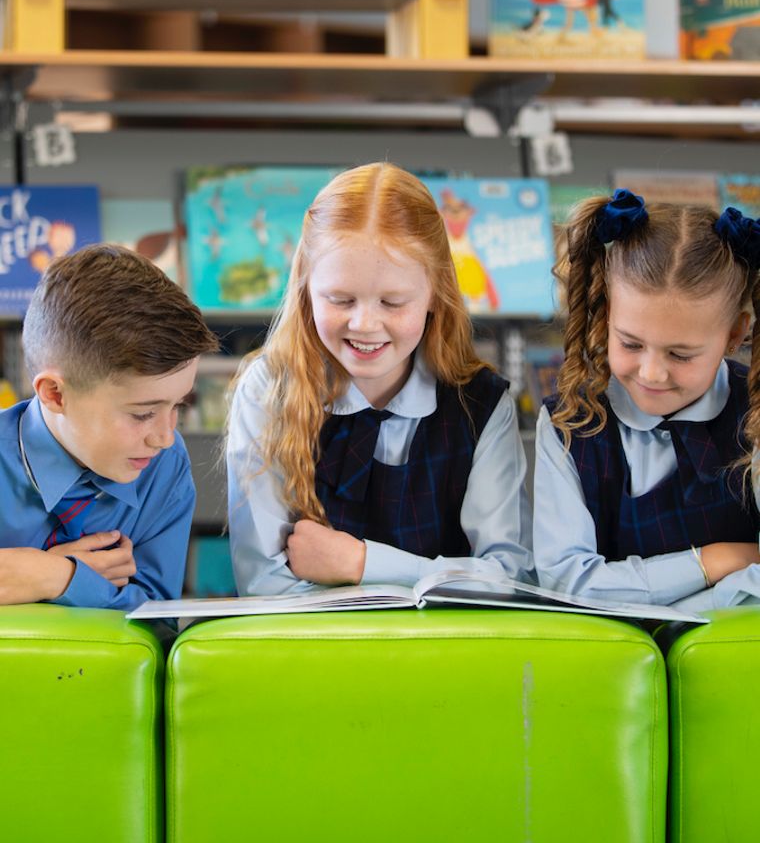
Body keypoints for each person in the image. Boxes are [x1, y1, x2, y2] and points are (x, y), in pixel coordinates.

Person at [227, 162, 532, 595]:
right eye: (340, 299)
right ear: (306, 289)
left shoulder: (480, 403)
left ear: (435, 293)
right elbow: (264, 583)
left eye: (392, 302)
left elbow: (509, 575)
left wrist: (360, 563)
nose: (365, 324)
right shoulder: (269, 389)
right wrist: (431, 580)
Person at [534, 189, 760, 613]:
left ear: (735, 334)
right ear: (605, 318)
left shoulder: (756, 415)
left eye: (681, 354)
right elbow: (567, 582)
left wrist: (639, 595)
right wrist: (717, 560)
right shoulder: (568, 422)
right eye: (631, 343)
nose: (652, 373)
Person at [0, 244, 219, 608]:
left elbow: (154, 621)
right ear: (55, 394)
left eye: (178, 404)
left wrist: (54, 576)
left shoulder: (164, 467)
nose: (165, 437)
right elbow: (127, 606)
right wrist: (74, 580)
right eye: (141, 414)